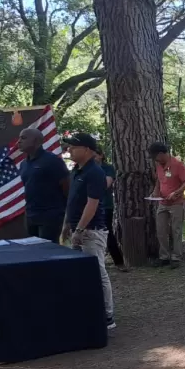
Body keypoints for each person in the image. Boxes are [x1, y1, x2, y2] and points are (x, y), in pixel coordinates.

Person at [62, 133, 115, 330]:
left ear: (87, 150)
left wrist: (80, 229)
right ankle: (87, 308)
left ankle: (108, 314)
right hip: (76, 227)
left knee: (98, 271)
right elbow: (73, 200)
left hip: (92, 230)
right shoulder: (76, 171)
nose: (69, 150)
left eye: (74, 147)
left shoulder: (95, 172)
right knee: (78, 271)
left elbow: (91, 205)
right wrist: (68, 224)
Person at [17, 128, 68, 243]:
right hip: (31, 215)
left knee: (48, 254)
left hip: (50, 216)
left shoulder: (52, 161)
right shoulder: (23, 164)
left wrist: (65, 214)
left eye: (23, 138)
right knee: (34, 253)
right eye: (19, 138)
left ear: (36, 141)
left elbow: (66, 187)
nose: (19, 141)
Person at [149, 142, 185, 269]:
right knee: (161, 230)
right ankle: (164, 257)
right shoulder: (158, 164)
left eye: (155, 157)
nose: (154, 160)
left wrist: (176, 192)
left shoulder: (177, 165)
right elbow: (159, 179)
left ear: (162, 154)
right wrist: (156, 191)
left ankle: (176, 257)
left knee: (176, 230)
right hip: (162, 202)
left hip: (176, 203)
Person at [94, 147, 127, 271]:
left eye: (96, 155)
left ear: (101, 155)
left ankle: (119, 262)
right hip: (87, 206)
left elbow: (106, 184)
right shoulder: (84, 168)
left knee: (108, 234)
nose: (94, 158)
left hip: (105, 206)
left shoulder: (107, 168)